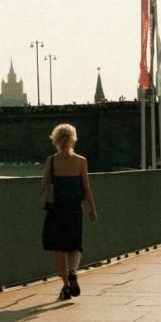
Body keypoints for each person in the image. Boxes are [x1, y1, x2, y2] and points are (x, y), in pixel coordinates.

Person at [41, 124, 97, 300]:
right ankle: (73, 271)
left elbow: (44, 184)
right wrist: (92, 208)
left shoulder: (52, 161)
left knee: (59, 248)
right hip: (74, 208)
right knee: (75, 244)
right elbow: (86, 187)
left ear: (55, 140)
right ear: (73, 140)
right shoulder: (81, 161)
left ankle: (66, 286)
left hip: (56, 209)